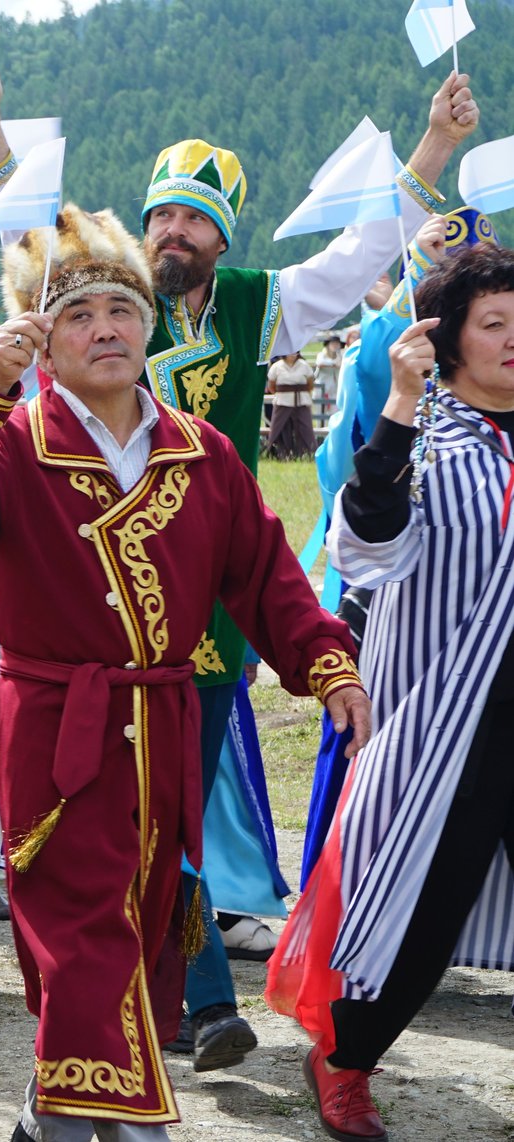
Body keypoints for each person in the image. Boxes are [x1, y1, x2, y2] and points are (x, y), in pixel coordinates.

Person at [0, 48, 477, 1072]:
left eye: (193, 220)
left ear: (219, 235)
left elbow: (361, 247)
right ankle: (175, 1003)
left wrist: (435, 146)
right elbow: (21, 224)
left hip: (209, 606)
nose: (172, 234)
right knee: (119, 816)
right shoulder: (99, 298)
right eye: (162, 216)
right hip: (86, 611)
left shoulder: (253, 304)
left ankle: (174, 1002)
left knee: (174, 803)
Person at [0, 204, 371, 1140]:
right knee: (81, 935)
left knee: (145, 926)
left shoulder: (203, 454)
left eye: (121, 309)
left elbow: (268, 579)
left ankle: (49, 1120)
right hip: (55, 730)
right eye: (78, 316)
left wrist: (329, 667)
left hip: (165, 730)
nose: (105, 329)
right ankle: (127, 1126)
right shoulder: (10, 439)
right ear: (44, 337)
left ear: (149, 323)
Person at [268, 242, 514, 1142]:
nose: (513, 339)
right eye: (494, 324)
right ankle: (345, 1058)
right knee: (422, 904)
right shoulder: (425, 440)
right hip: (447, 720)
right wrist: (402, 407)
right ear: (446, 340)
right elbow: (364, 551)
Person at [265, 352, 316, 460]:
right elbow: (271, 386)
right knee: (280, 428)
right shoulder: (277, 366)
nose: (293, 354)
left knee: (305, 427)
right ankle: (280, 453)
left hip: (302, 400)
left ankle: (307, 453)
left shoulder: (304, 365)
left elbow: (310, 384)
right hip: (282, 401)